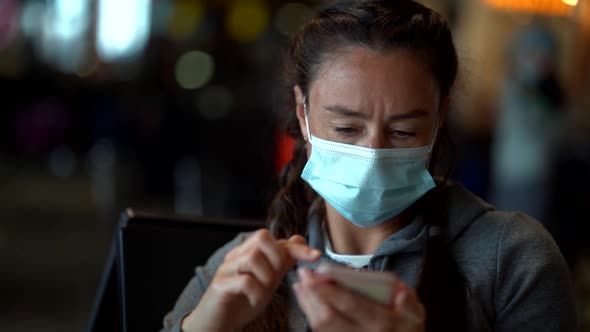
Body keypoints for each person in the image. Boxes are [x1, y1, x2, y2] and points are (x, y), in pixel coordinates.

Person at [162, 1, 576, 331]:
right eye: (346, 127)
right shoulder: (242, 273)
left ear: (439, 117)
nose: (374, 153)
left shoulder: (513, 259)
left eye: (403, 132)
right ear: (303, 115)